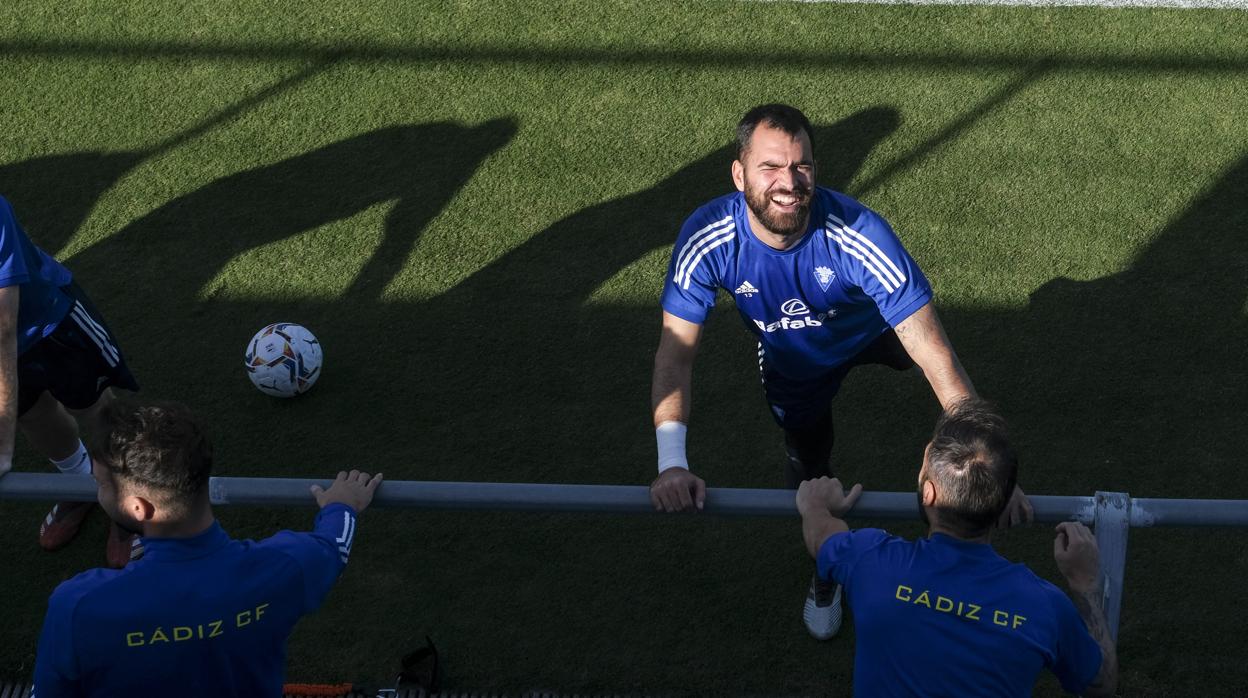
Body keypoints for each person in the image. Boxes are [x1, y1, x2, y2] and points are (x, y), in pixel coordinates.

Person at [649, 104, 1032, 639]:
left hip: (874, 329)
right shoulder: (708, 237)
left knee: (931, 365)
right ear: (738, 175)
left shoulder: (858, 233)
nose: (788, 182)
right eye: (770, 167)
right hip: (796, 361)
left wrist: (988, 465)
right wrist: (672, 463)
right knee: (808, 463)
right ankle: (825, 573)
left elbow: (934, 355)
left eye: (801, 166)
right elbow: (675, 354)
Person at [32, 400, 383, 696]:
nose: (97, 491)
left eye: (101, 484)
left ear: (139, 508)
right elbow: (334, 545)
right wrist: (343, 506)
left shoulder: (78, 606)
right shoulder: (284, 567)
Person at [795, 399, 1117, 696]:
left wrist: (814, 503)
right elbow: (1101, 683)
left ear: (929, 493)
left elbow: (820, 535)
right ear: (1004, 504)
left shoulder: (869, 560)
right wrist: (1084, 583)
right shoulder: (1046, 607)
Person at [0, 193, 140, 567]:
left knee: (96, 410)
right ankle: (80, 482)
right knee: (32, 416)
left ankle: (125, 499)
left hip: (51, 322)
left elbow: (4, 327)